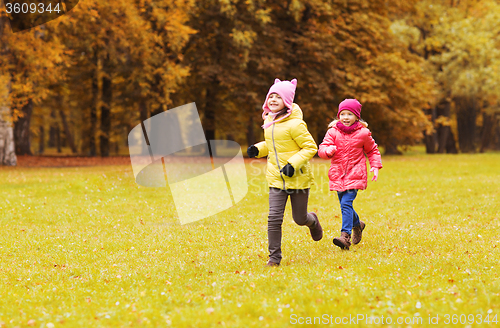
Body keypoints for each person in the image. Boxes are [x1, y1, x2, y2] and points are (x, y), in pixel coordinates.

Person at [247, 78, 322, 266]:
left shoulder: (295, 124)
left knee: (299, 218)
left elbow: (310, 147)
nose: (272, 99)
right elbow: (273, 146)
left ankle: (312, 221)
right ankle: (274, 258)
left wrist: (292, 164)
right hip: (276, 178)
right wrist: (258, 149)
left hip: (297, 178)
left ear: (287, 101)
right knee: (273, 219)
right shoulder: (269, 121)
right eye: (270, 96)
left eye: (277, 96)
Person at [318, 99, 382, 250]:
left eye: (350, 114)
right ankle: (357, 224)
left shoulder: (363, 133)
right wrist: (327, 151)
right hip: (338, 174)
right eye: (342, 114)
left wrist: (375, 165)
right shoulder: (332, 132)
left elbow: (372, 150)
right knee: (344, 204)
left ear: (357, 117)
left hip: (355, 173)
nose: (345, 117)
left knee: (346, 203)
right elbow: (322, 148)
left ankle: (344, 236)